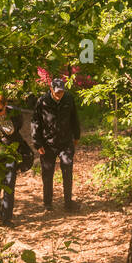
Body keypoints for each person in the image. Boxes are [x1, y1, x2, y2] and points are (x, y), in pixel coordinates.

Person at [0, 92, 34, 227]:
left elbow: (17, 129)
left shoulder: (14, 114)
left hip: (11, 152)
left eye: (0, 109)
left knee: (9, 183)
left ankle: (7, 217)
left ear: (5, 105)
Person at [31, 76, 81, 213]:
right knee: (47, 174)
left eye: (62, 92)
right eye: (57, 92)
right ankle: (48, 204)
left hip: (65, 142)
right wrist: (37, 142)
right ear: (51, 90)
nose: (60, 94)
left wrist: (77, 135)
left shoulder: (69, 99)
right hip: (47, 143)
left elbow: (74, 117)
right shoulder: (42, 101)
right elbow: (35, 123)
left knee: (67, 170)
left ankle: (68, 203)